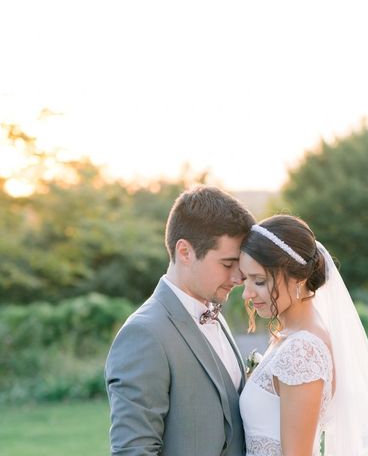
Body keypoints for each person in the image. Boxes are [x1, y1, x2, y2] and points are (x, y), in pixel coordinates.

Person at [105, 185, 255, 456]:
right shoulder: (144, 334)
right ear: (185, 252)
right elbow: (134, 450)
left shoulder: (216, 316)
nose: (238, 277)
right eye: (227, 263)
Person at [238, 215, 368, 456]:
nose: (247, 294)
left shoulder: (303, 351)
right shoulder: (292, 337)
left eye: (260, 281)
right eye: (246, 279)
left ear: (298, 277)